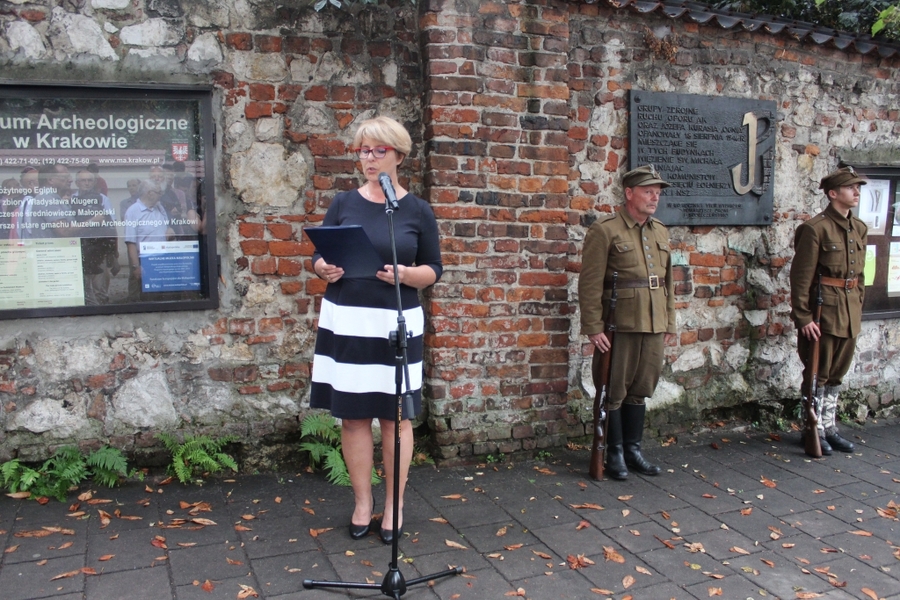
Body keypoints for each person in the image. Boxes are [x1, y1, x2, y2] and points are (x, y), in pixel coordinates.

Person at [309, 116, 442, 544]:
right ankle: (363, 501)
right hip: (349, 318)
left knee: (395, 416)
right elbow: (319, 256)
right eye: (364, 150)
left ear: (398, 155)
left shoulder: (417, 210)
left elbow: (434, 270)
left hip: (395, 321)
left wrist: (407, 273)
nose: (369, 158)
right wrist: (322, 268)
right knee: (353, 418)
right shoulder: (343, 203)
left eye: (378, 150)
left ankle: (395, 505)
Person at [578, 165, 676, 481]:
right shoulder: (605, 230)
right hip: (619, 324)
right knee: (614, 389)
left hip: (653, 322)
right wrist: (593, 327)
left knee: (642, 388)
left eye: (658, 193)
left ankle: (633, 449)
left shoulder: (660, 231)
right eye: (649, 191)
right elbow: (590, 282)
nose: (654, 197)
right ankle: (614, 451)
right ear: (629, 193)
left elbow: (667, 281)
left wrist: (669, 321)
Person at [790, 166, 867, 456]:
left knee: (837, 374)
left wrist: (858, 304)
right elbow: (801, 277)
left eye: (858, 187)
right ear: (833, 193)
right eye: (851, 187)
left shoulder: (858, 228)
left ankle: (829, 426)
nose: (857, 192)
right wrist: (803, 317)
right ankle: (813, 429)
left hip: (849, 311)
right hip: (825, 313)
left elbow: (859, 276)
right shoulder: (815, 228)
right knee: (817, 374)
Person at [73, 169, 118, 305]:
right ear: (77, 183)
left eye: (89, 180)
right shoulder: (71, 199)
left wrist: (113, 252)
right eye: (83, 180)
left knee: (100, 288)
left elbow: (111, 225)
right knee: (83, 287)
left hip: (100, 248)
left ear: (94, 182)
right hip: (80, 248)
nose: (86, 183)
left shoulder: (103, 199)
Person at [124, 179, 173, 301]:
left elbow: (166, 228)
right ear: (149, 193)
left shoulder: (159, 208)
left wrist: (170, 231)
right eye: (158, 192)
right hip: (145, 261)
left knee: (164, 297)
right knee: (147, 299)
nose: (161, 195)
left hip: (162, 260)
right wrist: (136, 267)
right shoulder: (133, 211)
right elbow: (130, 242)